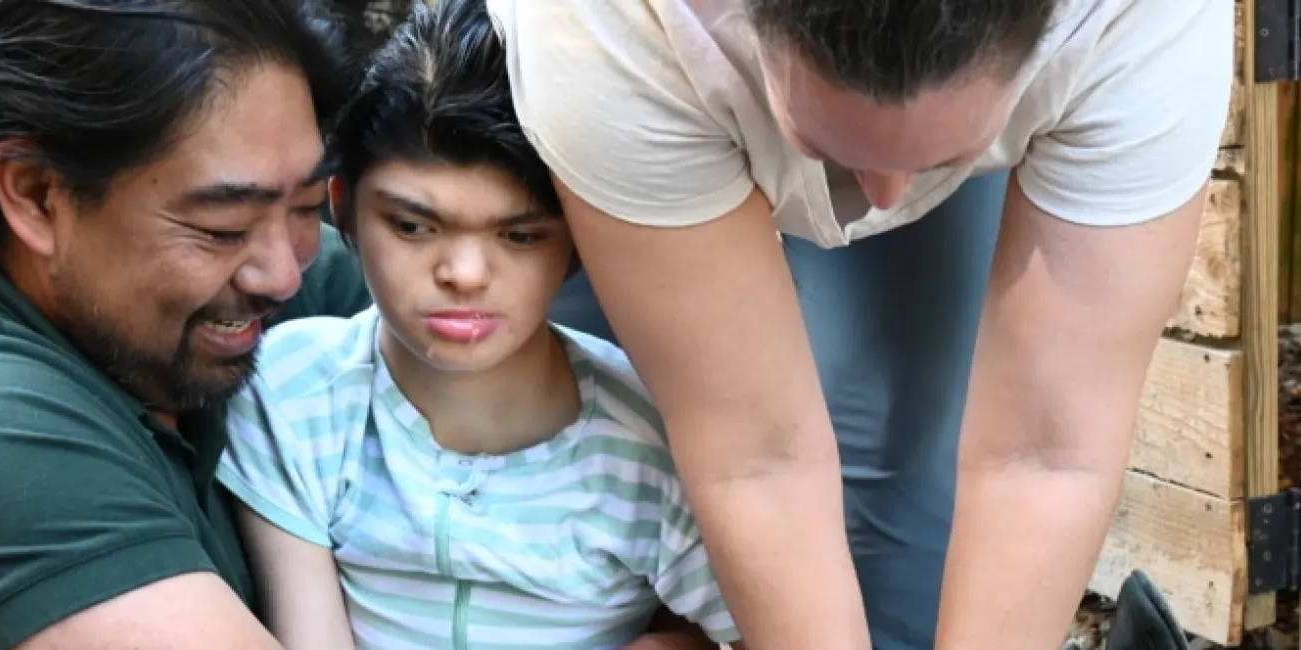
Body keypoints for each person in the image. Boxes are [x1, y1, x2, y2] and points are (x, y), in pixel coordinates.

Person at [487, 0, 1231, 648]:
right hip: (644, 94)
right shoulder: (596, 28)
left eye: (944, 153)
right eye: (824, 143)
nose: (885, 197)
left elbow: (1044, 452)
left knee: (901, 439)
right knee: (606, 442)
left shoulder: (1142, 24)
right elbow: (754, 455)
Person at [0, 2, 703, 648]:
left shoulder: (326, 289)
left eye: (302, 209)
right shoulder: (12, 428)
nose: (282, 275)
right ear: (36, 196)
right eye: (220, 226)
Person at [214, 1, 742, 648]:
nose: (464, 273)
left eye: (519, 235)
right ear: (342, 206)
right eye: (412, 226)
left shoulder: (658, 438)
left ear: (582, 240)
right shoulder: (292, 396)